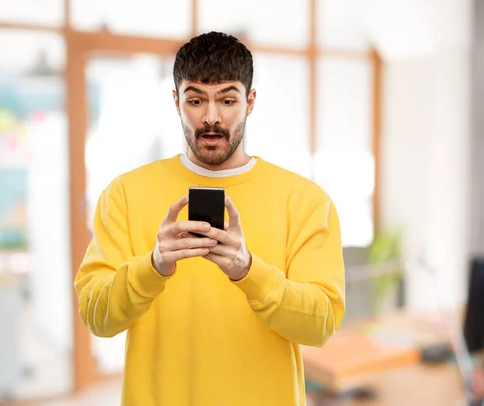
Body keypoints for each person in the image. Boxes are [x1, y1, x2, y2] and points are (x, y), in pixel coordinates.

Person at [74, 31, 346, 406]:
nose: (211, 118)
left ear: (250, 102)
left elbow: (320, 325)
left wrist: (249, 271)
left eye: (228, 100)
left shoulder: (306, 201)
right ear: (176, 101)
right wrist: (152, 267)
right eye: (196, 100)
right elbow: (97, 318)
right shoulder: (124, 194)